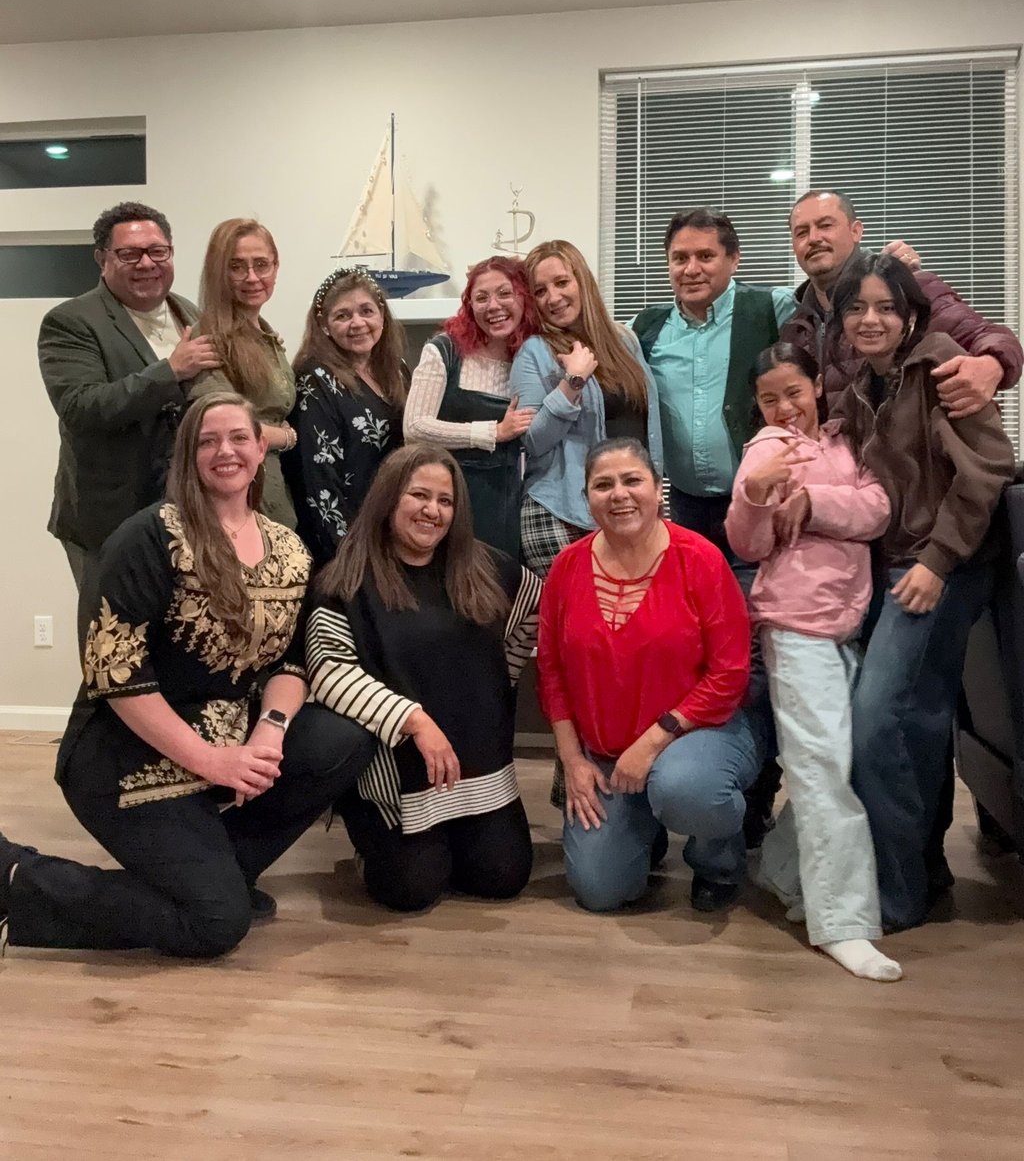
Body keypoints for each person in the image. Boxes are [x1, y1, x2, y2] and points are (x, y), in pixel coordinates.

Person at [0, 393, 375, 958]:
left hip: (231, 744)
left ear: (259, 449)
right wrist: (209, 759)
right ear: (188, 455)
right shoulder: (148, 538)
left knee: (342, 739)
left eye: (238, 438)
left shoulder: (291, 548)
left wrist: (270, 729)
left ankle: (214, 868)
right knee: (215, 923)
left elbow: (292, 660)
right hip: (125, 750)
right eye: (208, 440)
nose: (225, 451)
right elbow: (115, 673)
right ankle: (14, 879)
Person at [829, 254, 1015, 932]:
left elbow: (990, 464)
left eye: (883, 307)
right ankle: (925, 874)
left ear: (909, 315)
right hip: (891, 567)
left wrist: (938, 561)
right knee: (918, 719)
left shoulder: (939, 365)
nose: (869, 319)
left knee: (879, 718)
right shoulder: (861, 386)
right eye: (856, 308)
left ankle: (897, 895)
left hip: (945, 568)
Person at [725, 344, 900, 981]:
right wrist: (758, 494)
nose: (783, 407)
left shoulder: (847, 443)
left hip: (853, 624)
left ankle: (774, 867)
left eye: (793, 392)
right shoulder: (763, 448)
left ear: (816, 387)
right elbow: (744, 541)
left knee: (838, 762)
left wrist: (816, 505)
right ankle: (845, 924)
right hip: (793, 625)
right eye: (769, 398)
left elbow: (879, 508)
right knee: (823, 769)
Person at [306, 443, 542, 912]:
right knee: (411, 889)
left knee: (502, 877)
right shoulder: (347, 580)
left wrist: (502, 680)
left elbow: (535, 609)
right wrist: (414, 721)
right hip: (397, 771)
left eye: (445, 500)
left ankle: (455, 831)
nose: (432, 511)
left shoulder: (486, 566)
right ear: (389, 499)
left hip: (478, 769)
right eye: (419, 496)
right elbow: (330, 672)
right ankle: (367, 829)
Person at [538, 438, 766, 914]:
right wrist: (573, 761)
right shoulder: (567, 567)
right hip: (605, 755)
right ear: (586, 498)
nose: (619, 494)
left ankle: (717, 860)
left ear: (657, 490)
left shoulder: (700, 559)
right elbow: (552, 670)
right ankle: (644, 828)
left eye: (632, 480)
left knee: (687, 789)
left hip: (700, 737)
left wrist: (651, 743)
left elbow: (730, 674)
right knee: (600, 891)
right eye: (603, 485)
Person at [37, 200, 217, 648]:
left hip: (185, 513)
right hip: (109, 519)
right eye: (129, 254)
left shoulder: (188, 312)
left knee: (177, 645)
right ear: (102, 260)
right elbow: (81, 406)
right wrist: (169, 371)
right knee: (114, 648)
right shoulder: (71, 320)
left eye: (158, 252)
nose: (146, 264)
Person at [632, 208, 795, 558]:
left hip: (760, 499)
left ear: (734, 259)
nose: (691, 269)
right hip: (684, 505)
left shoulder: (771, 309)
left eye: (706, 256)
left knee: (758, 603)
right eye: (679, 258)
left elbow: (838, 313)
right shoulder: (646, 328)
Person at [783, 189, 1022, 412]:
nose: (814, 238)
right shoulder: (796, 326)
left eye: (825, 225)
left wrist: (992, 366)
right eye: (801, 232)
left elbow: (991, 336)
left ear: (856, 231)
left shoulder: (904, 288)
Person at [510, 239, 663, 578]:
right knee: (589, 626)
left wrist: (654, 493)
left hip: (628, 507)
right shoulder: (534, 352)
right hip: (560, 513)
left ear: (583, 281)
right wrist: (572, 383)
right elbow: (533, 441)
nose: (553, 297)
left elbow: (647, 426)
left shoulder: (624, 342)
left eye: (562, 282)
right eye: (540, 291)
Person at [404, 255, 537, 558]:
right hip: (448, 501)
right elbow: (413, 428)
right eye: (481, 297)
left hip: (507, 505)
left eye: (504, 293)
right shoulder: (444, 351)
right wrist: (493, 432)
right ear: (469, 305)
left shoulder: (532, 357)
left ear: (524, 298)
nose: (493, 306)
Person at [284, 268, 409, 567]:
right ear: (324, 325)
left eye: (367, 311)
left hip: (394, 536)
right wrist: (349, 558)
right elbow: (319, 485)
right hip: (345, 545)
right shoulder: (315, 379)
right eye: (342, 315)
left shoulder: (398, 371)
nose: (358, 323)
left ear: (382, 316)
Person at [189, 218, 298, 528]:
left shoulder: (266, 336)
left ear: (276, 268)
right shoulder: (209, 338)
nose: (252, 277)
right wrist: (289, 436)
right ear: (218, 272)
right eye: (237, 267)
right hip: (235, 493)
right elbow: (221, 429)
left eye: (261, 265)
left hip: (272, 484)